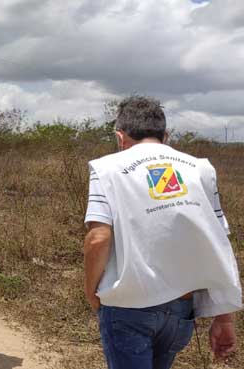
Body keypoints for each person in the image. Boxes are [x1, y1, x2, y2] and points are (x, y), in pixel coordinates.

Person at [83, 96, 241, 369]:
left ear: (120, 137)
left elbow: (98, 238)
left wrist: (90, 292)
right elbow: (218, 245)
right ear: (166, 136)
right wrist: (224, 317)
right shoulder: (201, 169)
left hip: (128, 307)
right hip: (181, 311)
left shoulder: (106, 168)